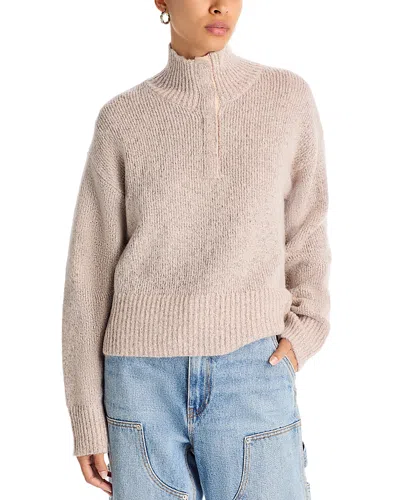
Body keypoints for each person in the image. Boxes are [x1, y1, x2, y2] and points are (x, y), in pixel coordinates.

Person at [61, 1, 331, 498]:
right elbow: (89, 272)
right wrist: (85, 416)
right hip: (139, 383)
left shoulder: (286, 98)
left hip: (254, 369)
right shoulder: (122, 119)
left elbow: (307, 228)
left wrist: (306, 328)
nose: (220, 5)